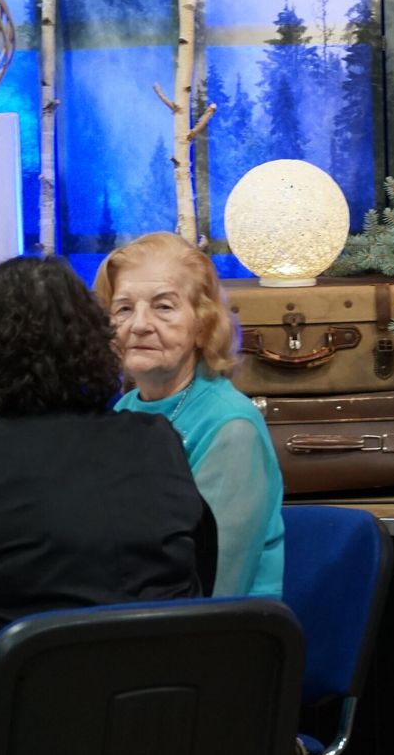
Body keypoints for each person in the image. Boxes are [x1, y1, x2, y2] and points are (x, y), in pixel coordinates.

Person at [0, 256, 214, 701]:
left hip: (3, 727)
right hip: (158, 717)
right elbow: (198, 575)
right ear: (96, 342)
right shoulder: (156, 440)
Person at [93, 232, 285, 599]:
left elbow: (217, 588)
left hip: (209, 626)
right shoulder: (124, 409)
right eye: (123, 309)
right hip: (134, 613)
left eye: (163, 307)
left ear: (203, 324)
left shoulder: (232, 428)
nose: (139, 324)